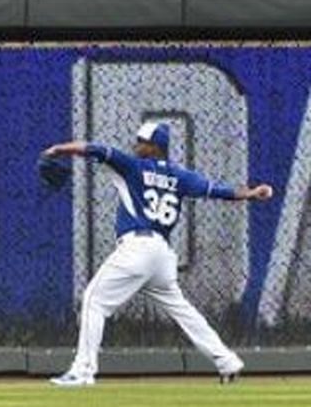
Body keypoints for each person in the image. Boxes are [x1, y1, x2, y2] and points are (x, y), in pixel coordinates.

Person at [42, 121, 274, 386]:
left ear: (154, 147)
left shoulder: (131, 165)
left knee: (94, 300)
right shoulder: (179, 175)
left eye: (142, 140)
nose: (137, 144)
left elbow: (94, 149)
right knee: (183, 310)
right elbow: (219, 190)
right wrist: (253, 193)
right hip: (161, 255)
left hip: (138, 248)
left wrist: (58, 148)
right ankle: (227, 361)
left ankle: (82, 371)